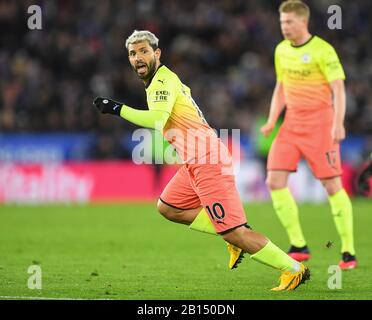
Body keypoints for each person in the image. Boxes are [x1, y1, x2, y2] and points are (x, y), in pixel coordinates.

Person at [93, 29, 310, 291]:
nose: (137, 57)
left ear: (157, 53)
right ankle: (228, 235)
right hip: (193, 160)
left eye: (143, 51)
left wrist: (117, 109)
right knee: (168, 207)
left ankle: (293, 269)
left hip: (208, 160)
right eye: (132, 53)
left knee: (236, 231)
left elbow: (157, 120)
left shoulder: (162, 81)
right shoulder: (158, 83)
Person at [260, 0, 356, 269]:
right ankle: (298, 244)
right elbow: (281, 87)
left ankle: (348, 250)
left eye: (289, 22)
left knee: (331, 185)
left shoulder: (323, 50)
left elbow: (338, 89)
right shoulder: (281, 50)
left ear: (303, 22)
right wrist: (271, 120)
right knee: (274, 181)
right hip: (291, 125)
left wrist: (338, 123)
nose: (284, 27)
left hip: (320, 124)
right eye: (282, 22)